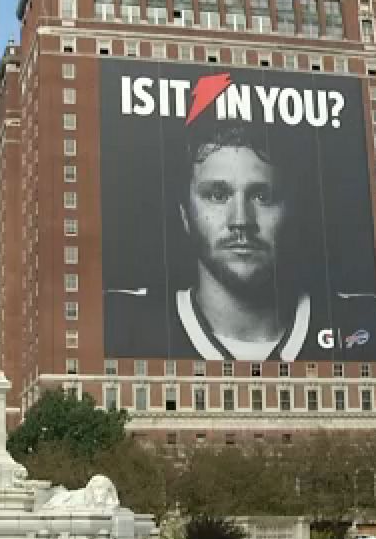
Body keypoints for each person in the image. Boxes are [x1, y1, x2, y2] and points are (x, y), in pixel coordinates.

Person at [107, 123, 330, 361]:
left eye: (263, 197)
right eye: (217, 195)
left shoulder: (363, 320)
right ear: (185, 215)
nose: (241, 220)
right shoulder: (118, 322)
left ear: (292, 212)